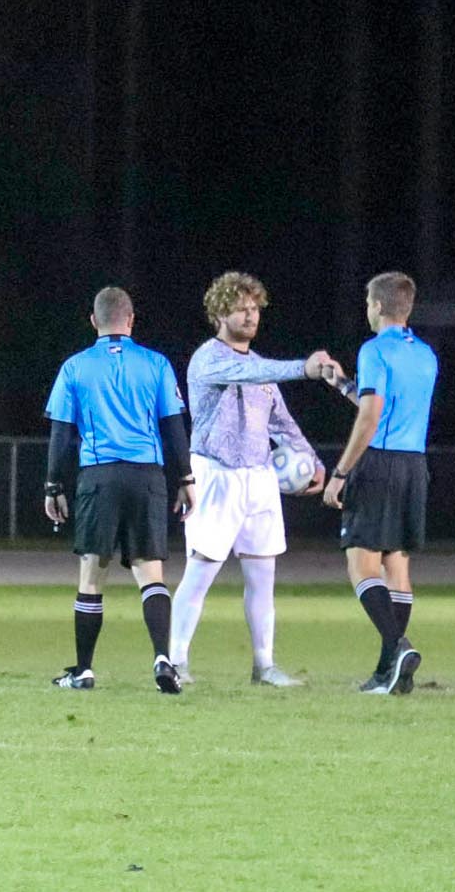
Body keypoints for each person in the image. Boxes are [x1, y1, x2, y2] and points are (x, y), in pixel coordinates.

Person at [165, 272, 346, 687]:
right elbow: (250, 373)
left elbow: (281, 421)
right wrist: (306, 368)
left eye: (254, 309)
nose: (249, 316)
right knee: (201, 572)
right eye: (240, 308)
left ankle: (264, 666)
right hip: (216, 474)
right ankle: (175, 661)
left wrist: (312, 461)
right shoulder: (209, 359)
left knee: (262, 578)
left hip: (260, 478)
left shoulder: (258, 367)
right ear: (218, 313)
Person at [41, 286, 193, 693]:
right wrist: (186, 478)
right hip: (147, 476)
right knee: (151, 574)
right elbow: (173, 426)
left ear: (94, 321)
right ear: (131, 319)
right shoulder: (156, 364)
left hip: (99, 476)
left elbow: (62, 431)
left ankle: (84, 670)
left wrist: (53, 484)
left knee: (92, 574)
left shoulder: (75, 367)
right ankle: (164, 659)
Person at [323, 271, 438, 694]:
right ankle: (388, 673)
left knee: (361, 562)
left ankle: (397, 646)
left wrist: (340, 472)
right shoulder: (425, 354)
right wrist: (341, 384)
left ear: (377, 306)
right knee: (397, 564)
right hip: (414, 464)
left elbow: (371, 416)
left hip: (380, 464)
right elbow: (380, 403)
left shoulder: (374, 350)